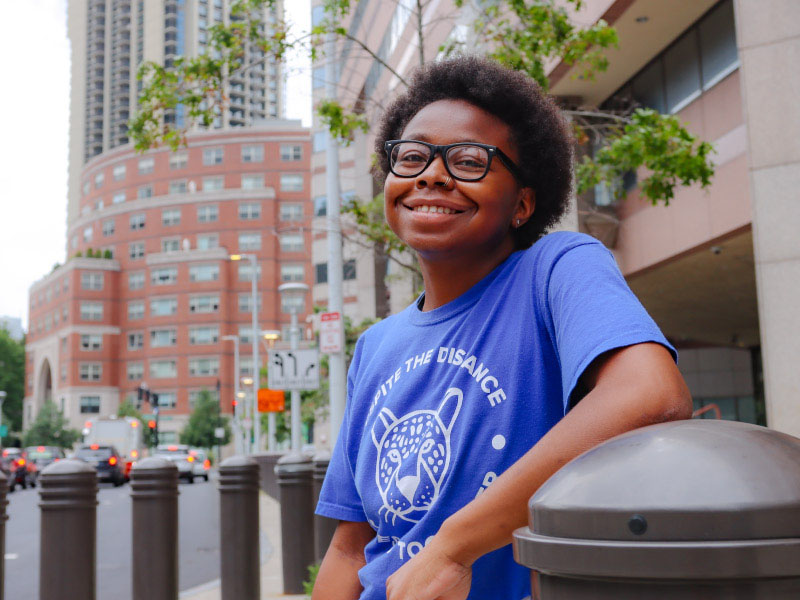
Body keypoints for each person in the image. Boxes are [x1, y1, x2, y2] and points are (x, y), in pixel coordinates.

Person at [312, 55, 692, 600]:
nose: (432, 174)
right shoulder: (375, 346)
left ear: (523, 204)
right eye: (412, 156)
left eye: (469, 160)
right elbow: (351, 547)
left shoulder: (557, 269)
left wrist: (452, 547)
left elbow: (651, 396)